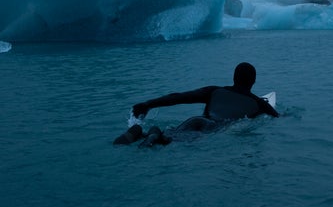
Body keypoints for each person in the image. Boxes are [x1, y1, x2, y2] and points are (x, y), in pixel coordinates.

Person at [113, 62, 279, 147]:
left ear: (234, 78)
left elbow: (179, 97)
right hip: (210, 129)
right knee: (173, 142)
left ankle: (145, 133)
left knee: (171, 134)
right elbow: (278, 117)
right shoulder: (258, 104)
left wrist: (148, 104)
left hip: (195, 120)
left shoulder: (214, 90)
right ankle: (154, 136)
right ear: (253, 81)